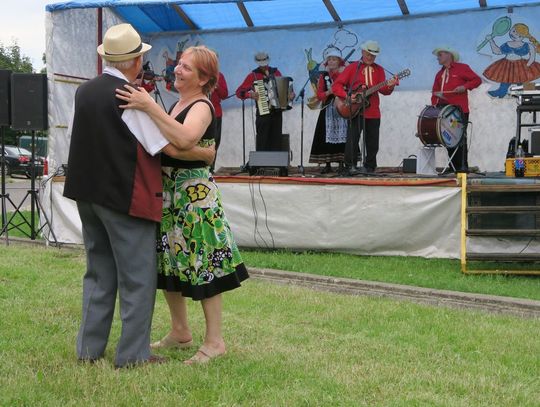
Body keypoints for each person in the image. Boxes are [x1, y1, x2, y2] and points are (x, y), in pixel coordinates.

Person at [63, 24, 213, 369]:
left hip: (87, 194)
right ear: (134, 61)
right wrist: (204, 154)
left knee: (98, 273)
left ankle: (88, 349)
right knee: (137, 278)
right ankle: (132, 355)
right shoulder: (130, 96)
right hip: (124, 196)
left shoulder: (84, 91)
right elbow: (165, 146)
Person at [116, 45, 249, 365]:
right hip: (171, 195)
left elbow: (185, 139)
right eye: (179, 64)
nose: (177, 69)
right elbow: (170, 144)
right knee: (170, 262)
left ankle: (215, 342)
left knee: (204, 264)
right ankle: (180, 331)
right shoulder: (178, 104)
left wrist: (152, 109)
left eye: (186, 67)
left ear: (203, 79)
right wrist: (194, 151)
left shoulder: (202, 105)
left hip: (194, 199)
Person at [332, 40, 397, 175]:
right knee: (352, 139)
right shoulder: (353, 68)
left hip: (373, 111)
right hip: (355, 110)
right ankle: (350, 166)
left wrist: (390, 85)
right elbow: (336, 85)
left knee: (373, 142)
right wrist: (347, 96)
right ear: (362, 52)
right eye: (368, 54)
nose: (370, 57)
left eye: (373, 56)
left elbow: (384, 90)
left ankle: (370, 167)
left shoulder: (379, 70)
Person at [431, 46, 482, 172]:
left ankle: (462, 167)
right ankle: (453, 167)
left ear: (449, 55)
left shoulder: (462, 68)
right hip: (444, 111)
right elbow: (434, 93)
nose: (437, 58)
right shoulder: (439, 74)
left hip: (459, 111)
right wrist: (435, 105)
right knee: (447, 139)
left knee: (459, 139)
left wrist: (465, 87)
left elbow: (477, 80)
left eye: (440, 55)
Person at [235, 52, 285, 151]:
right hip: (263, 113)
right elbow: (239, 92)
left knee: (276, 141)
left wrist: (290, 95)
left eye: (265, 63)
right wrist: (250, 95)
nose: (264, 66)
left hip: (277, 113)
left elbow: (284, 88)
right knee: (262, 141)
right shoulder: (252, 75)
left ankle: (276, 160)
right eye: (262, 64)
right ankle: (262, 160)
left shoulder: (276, 72)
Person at [308, 47, 347, 173]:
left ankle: (342, 163)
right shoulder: (323, 76)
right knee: (325, 136)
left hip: (342, 107)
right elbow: (319, 95)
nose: (331, 62)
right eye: (329, 59)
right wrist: (329, 92)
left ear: (339, 61)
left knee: (343, 135)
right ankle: (327, 164)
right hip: (328, 108)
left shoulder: (344, 74)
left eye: (334, 59)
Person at [483, 23, 540, 98]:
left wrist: (528, 65)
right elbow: (497, 51)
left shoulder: (527, 45)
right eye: (513, 31)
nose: (515, 35)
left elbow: (532, 56)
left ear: (523, 36)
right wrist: (491, 40)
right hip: (506, 64)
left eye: (519, 35)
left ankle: (522, 93)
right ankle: (501, 91)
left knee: (521, 79)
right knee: (506, 78)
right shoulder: (507, 44)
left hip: (520, 65)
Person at [209, 71, 228, 170]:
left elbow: (224, 95)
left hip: (216, 114)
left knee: (215, 142)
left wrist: (217, 87)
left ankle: (211, 169)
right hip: (200, 113)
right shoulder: (199, 73)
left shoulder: (219, 75)